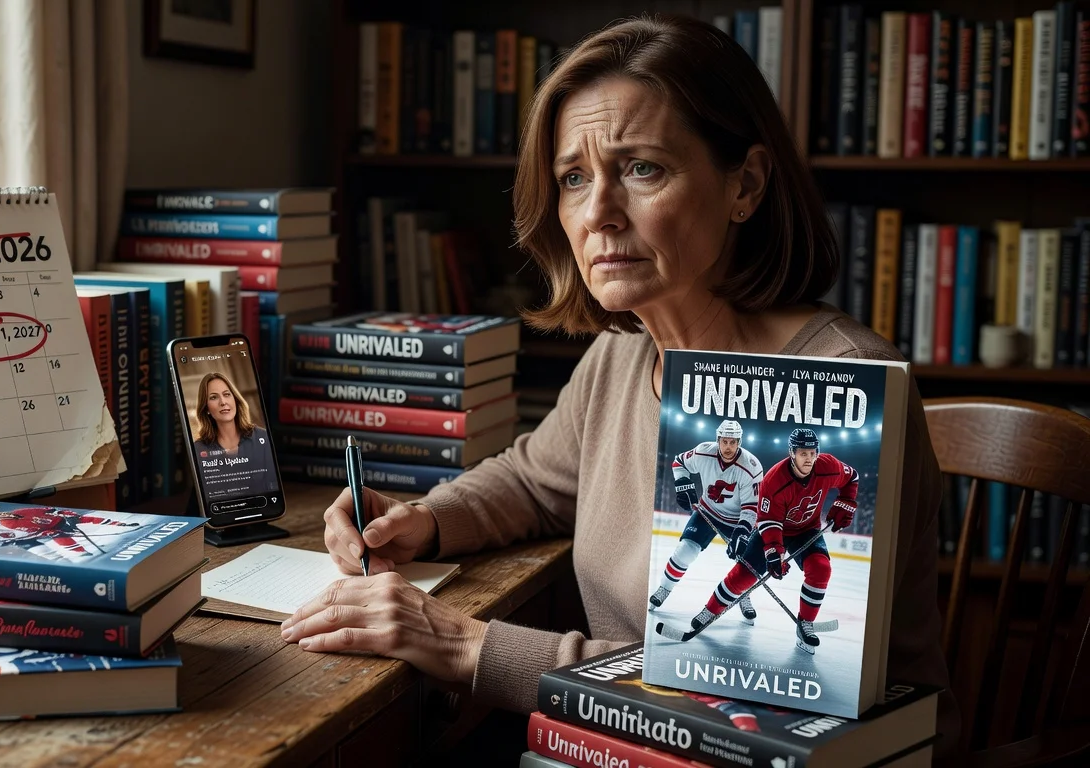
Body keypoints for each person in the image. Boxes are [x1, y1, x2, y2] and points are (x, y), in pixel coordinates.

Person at [280, 14, 958, 753]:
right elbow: (537, 481)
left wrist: (464, 645)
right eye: (574, 178)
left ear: (746, 184)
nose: (598, 213)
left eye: (642, 168)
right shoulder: (626, 351)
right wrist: (424, 519)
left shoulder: (835, 387)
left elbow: (740, 708)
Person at [688, 428, 858, 653]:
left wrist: (845, 501)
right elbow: (768, 521)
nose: (809, 459)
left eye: (812, 453)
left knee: (821, 569)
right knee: (743, 575)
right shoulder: (775, 480)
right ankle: (710, 610)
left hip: (806, 529)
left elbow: (852, 477)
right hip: (772, 529)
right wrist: (774, 553)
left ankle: (805, 624)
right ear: (792, 453)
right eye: (803, 453)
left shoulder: (828, 467)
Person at [647, 419, 764, 622]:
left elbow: (751, 507)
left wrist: (742, 531)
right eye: (725, 442)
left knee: (746, 564)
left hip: (737, 520)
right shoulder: (703, 452)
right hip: (707, 511)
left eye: (733, 442)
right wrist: (682, 482)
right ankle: (664, 589)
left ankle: (745, 595)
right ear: (718, 440)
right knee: (685, 550)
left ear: (740, 442)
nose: (728, 447)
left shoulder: (751, 467)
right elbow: (679, 462)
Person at [190, 371, 276, 495]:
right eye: (214, 397)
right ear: (206, 409)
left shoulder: (262, 438)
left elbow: (272, 488)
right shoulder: (199, 449)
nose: (223, 402)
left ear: (235, 399)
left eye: (226, 394)